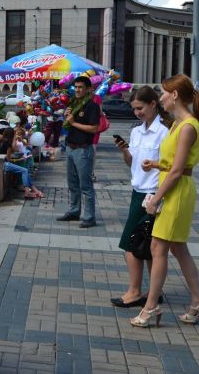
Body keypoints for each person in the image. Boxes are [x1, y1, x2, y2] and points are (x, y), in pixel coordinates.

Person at [130, 74, 199, 328]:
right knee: (178, 249)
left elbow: (179, 170)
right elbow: (176, 164)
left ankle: (150, 307)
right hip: (174, 188)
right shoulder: (180, 125)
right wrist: (157, 164)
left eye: (163, 93)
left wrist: (155, 199)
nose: (161, 98)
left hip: (176, 191)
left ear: (175, 95)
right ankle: (196, 303)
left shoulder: (188, 126)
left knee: (159, 249)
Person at [110, 86, 169, 308]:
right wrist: (125, 151)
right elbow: (132, 163)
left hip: (153, 194)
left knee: (133, 244)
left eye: (140, 108)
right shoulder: (136, 131)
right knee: (147, 246)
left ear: (153, 104)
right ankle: (153, 291)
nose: (137, 113)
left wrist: (157, 195)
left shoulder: (165, 132)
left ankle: (135, 292)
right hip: (138, 192)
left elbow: (170, 166)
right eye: (134, 109)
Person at [57, 76, 100, 228]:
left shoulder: (92, 106)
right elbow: (69, 124)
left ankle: (89, 217)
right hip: (70, 147)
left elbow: (94, 128)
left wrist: (73, 122)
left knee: (85, 186)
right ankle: (74, 211)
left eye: (81, 87)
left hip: (83, 150)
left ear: (89, 89)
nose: (77, 90)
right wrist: (67, 118)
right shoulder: (74, 103)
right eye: (75, 87)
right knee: (72, 183)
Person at [0, 128, 43, 199]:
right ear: (11, 135)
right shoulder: (8, 144)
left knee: (25, 170)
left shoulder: (1, 141)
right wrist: (19, 159)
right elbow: (9, 159)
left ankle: (34, 190)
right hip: (4, 164)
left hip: (0, 163)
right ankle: (28, 192)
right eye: (14, 135)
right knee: (25, 170)